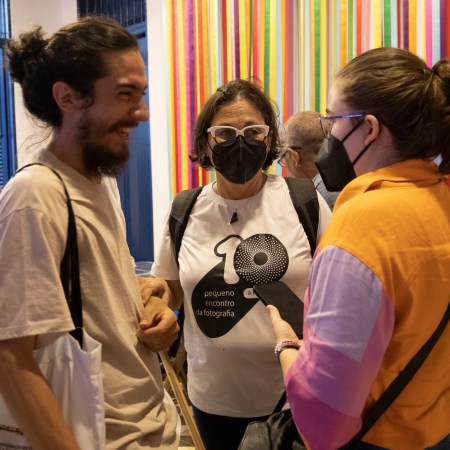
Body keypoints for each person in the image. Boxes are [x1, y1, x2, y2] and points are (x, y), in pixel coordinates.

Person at [0, 16, 180, 450]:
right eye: (125, 94)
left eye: (141, 95)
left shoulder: (100, 182)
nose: (142, 112)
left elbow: (99, 296)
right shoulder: (36, 195)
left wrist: (152, 303)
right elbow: (10, 357)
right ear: (67, 97)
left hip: (152, 426)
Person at [269, 47, 450, 450]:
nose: (328, 135)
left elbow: (323, 423)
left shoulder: (363, 224)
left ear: (368, 129)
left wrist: (286, 345)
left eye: (332, 120)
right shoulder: (441, 197)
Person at [150, 78, 332, 450]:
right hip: (213, 399)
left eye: (252, 131)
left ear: (269, 139)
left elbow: (336, 291)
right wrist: (157, 304)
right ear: (205, 142)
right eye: (224, 133)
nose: (240, 141)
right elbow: (169, 287)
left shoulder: (304, 203)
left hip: (294, 397)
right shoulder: (184, 209)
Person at [279, 110, 340, 210]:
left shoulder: (319, 196)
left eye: (284, 158)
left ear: (294, 156)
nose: (286, 167)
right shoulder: (342, 179)